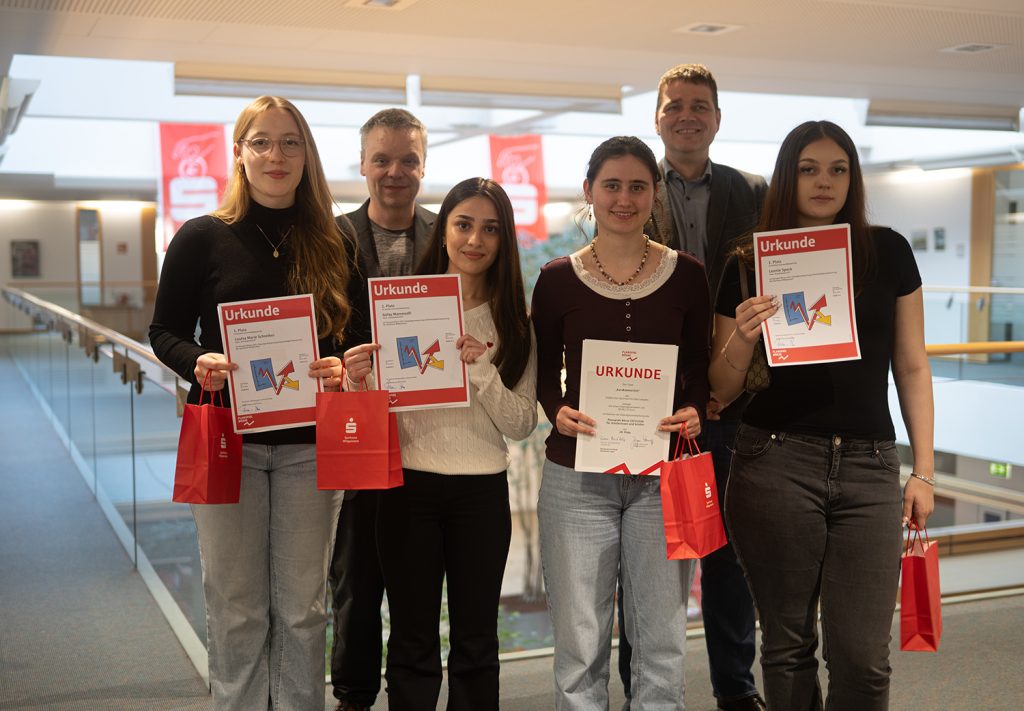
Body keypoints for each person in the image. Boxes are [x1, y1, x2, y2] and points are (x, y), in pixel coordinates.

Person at [709, 120, 935, 711]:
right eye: (808, 168)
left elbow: (911, 367)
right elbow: (722, 388)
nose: (824, 181)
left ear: (853, 179)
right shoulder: (748, 259)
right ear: (788, 177)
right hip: (773, 459)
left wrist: (925, 471)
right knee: (787, 647)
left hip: (869, 466)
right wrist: (744, 336)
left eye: (838, 169)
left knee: (863, 655)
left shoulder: (888, 251)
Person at [149, 95, 357, 710]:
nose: (276, 154)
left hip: (308, 450)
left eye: (290, 142)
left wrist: (340, 365)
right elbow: (164, 331)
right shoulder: (201, 237)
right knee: (235, 605)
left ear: (306, 155)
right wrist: (197, 360)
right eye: (261, 141)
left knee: (302, 609)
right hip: (226, 442)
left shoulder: (335, 238)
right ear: (239, 153)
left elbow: (349, 337)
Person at [342, 177, 537, 711]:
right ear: (443, 230)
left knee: (476, 642)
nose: (475, 239)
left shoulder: (515, 322)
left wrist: (482, 370)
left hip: (481, 495)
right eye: (464, 224)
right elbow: (381, 406)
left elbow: (521, 424)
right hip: (408, 490)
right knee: (411, 639)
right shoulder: (402, 308)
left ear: (504, 239)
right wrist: (359, 379)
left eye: (490, 229)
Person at [532, 136, 710, 710]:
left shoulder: (688, 276)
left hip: (663, 478)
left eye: (638, 186)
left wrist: (694, 411)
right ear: (589, 192)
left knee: (661, 642)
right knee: (580, 647)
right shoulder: (556, 278)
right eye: (611, 185)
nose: (624, 198)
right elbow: (542, 380)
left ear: (654, 195)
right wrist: (555, 410)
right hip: (576, 480)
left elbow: (701, 374)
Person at [629, 61, 768, 711]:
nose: (687, 114)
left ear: (717, 117)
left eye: (700, 105)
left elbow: (771, 301)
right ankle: (644, 691)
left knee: (730, 563)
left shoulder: (755, 195)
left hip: (733, 404)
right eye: (674, 104)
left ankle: (735, 691)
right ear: (656, 117)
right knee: (651, 562)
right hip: (652, 410)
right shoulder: (628, 189)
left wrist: (729, 385)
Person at [328, 107, 436, 711]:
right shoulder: (332, 238)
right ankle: (353, 694)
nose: (395, 172)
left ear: (423, 165)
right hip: (357, 431)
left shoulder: (448, 234)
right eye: (382, 160)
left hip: (428, 432)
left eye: (408, 160)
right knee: (356, 577)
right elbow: (316, 330)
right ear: (363, 165)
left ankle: (412, 695)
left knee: (418, 583)